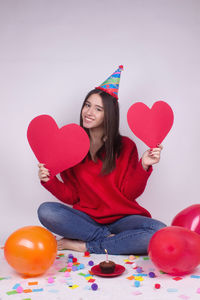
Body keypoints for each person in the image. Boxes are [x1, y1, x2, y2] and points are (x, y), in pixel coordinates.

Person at [37, 66, 166, 255]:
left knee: (159, 232)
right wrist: (50, 181)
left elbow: (129, 194)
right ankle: (108, 240)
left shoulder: (126, 146)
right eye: (87, 105)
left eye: (98, 109)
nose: (89, 112)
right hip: (86, 219)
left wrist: (144, 165)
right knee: (46, 211)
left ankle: (87, 245)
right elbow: (72, 196)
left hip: (124, 218)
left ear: (109, 115)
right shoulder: (71, 146)